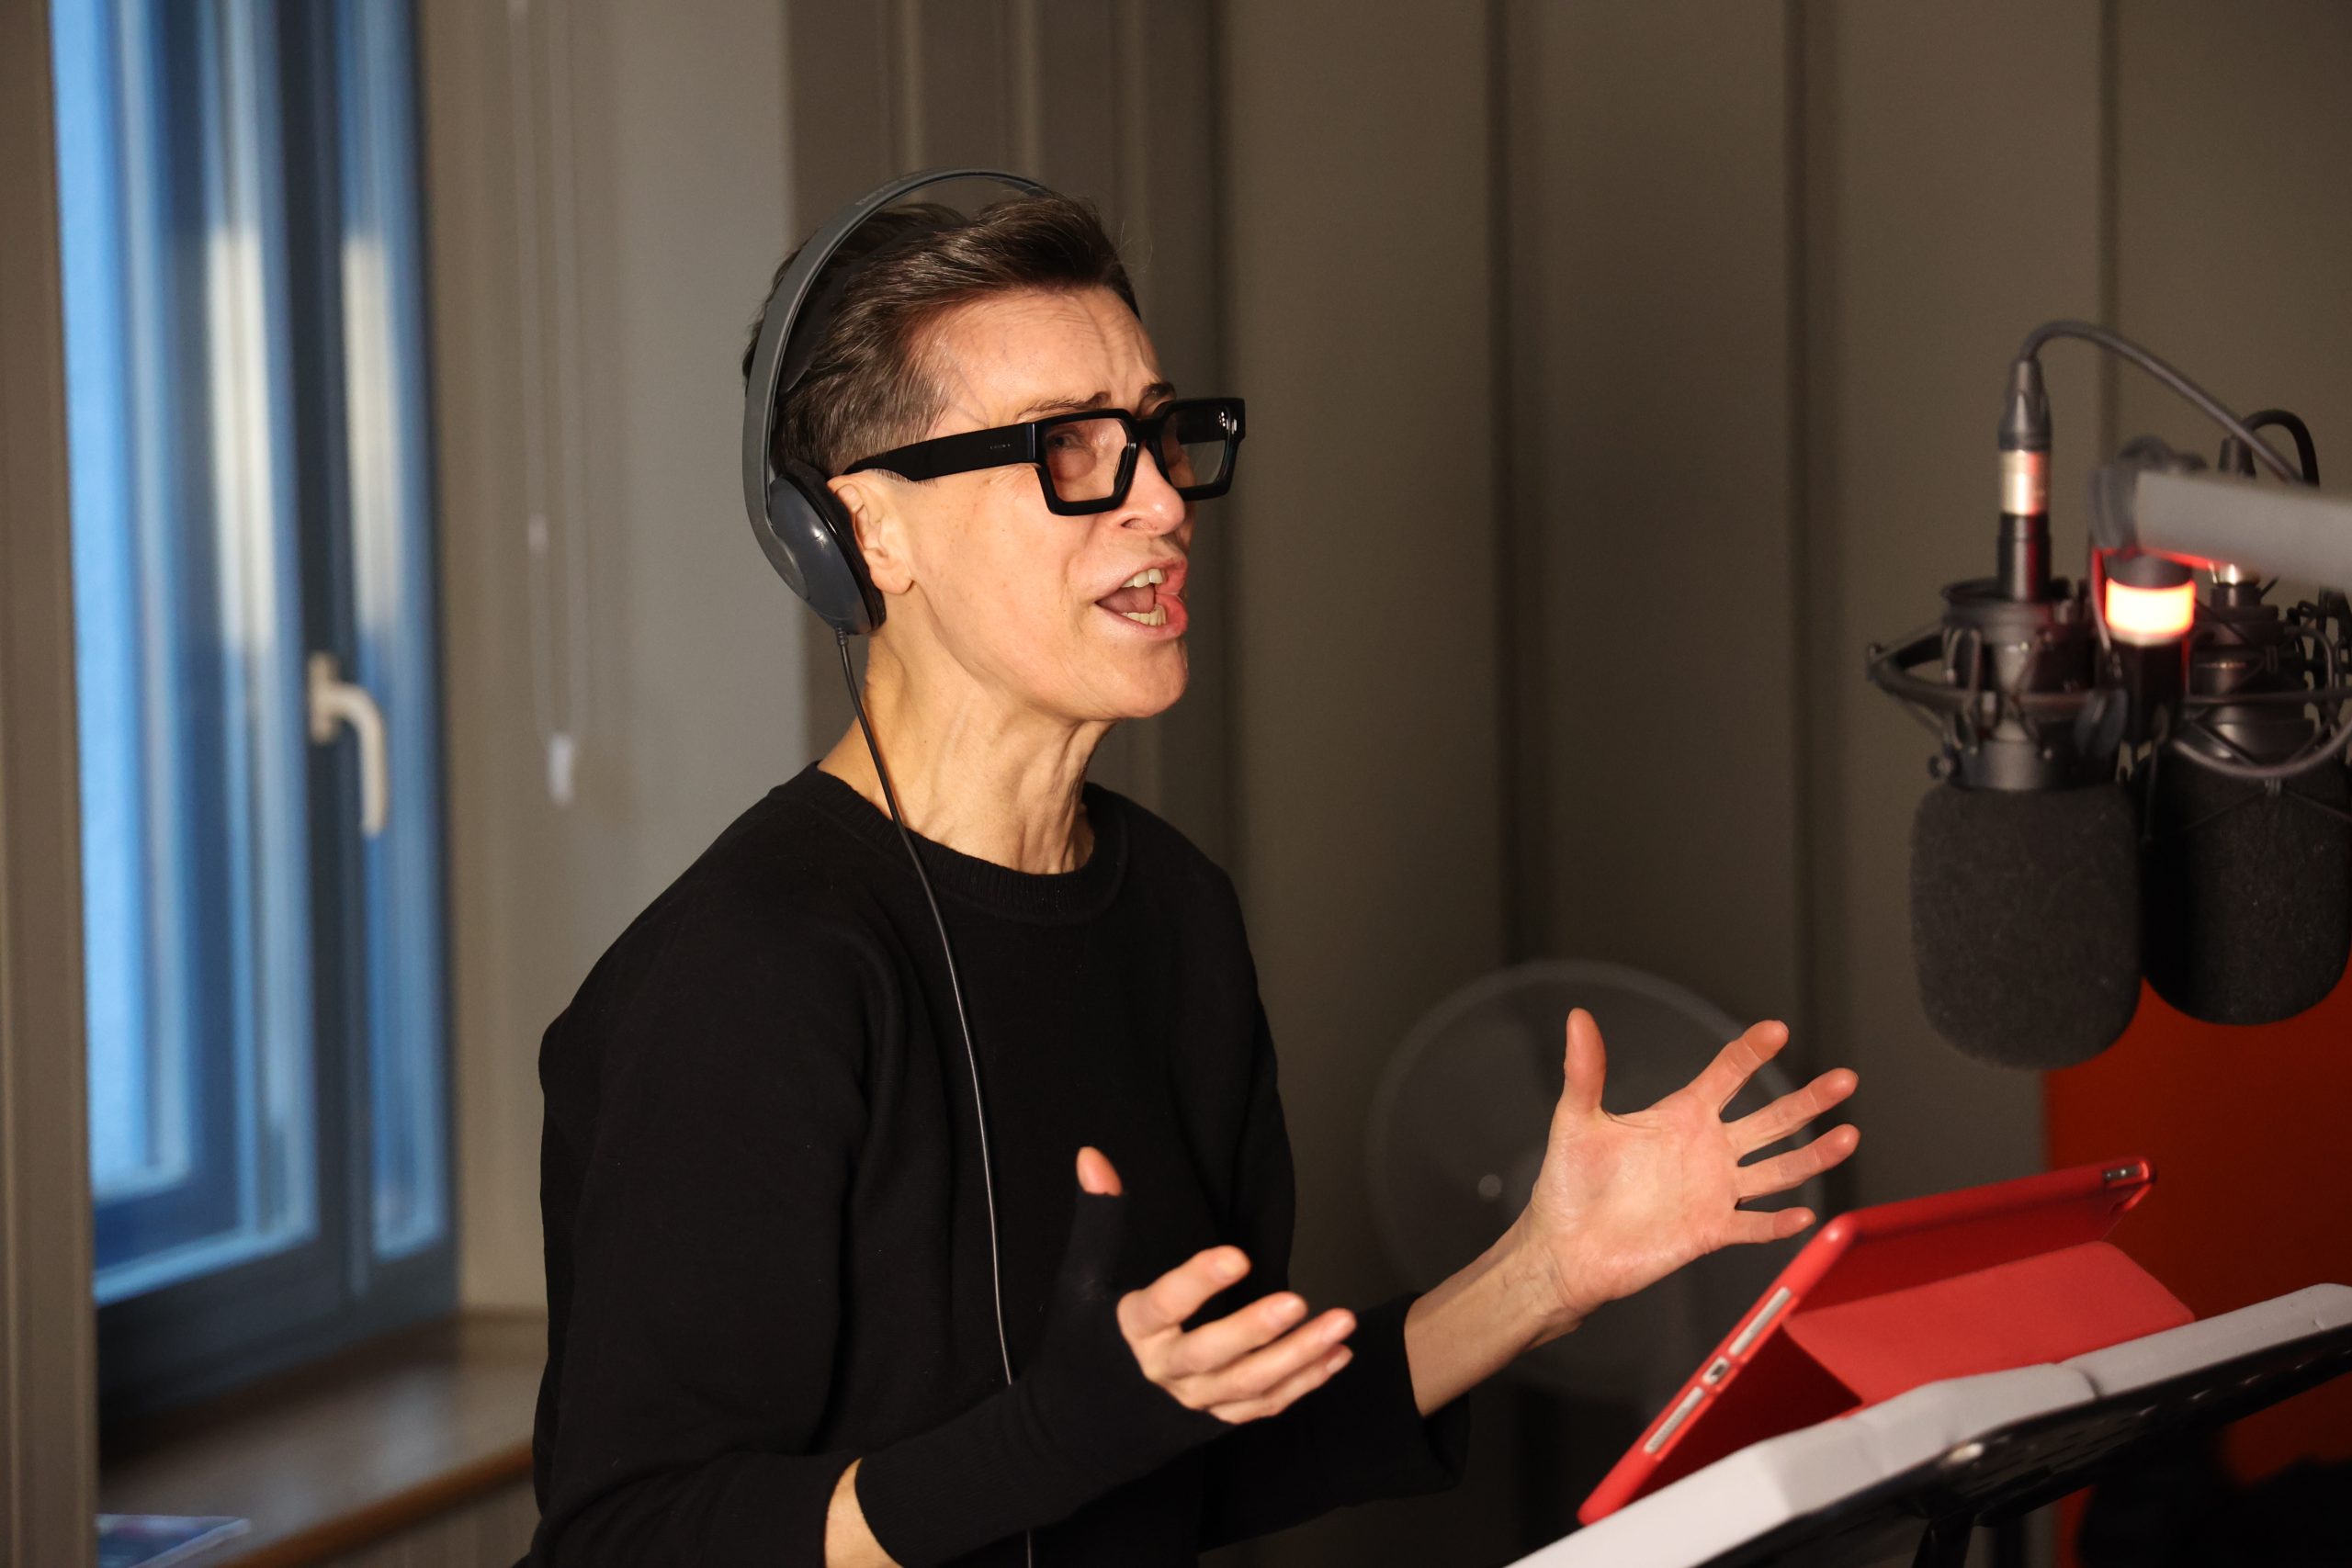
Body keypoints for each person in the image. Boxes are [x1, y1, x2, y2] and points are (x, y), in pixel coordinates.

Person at [520, 190, 1860, 1568]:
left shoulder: (1174, 911)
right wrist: (1044, 1445)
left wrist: (1543, 1274)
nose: (1161, 501)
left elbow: (1210, 1451)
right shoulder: (749, 974)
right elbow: (626, 1542)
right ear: (866, 533)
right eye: (1068, 448)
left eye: (1159, 434)